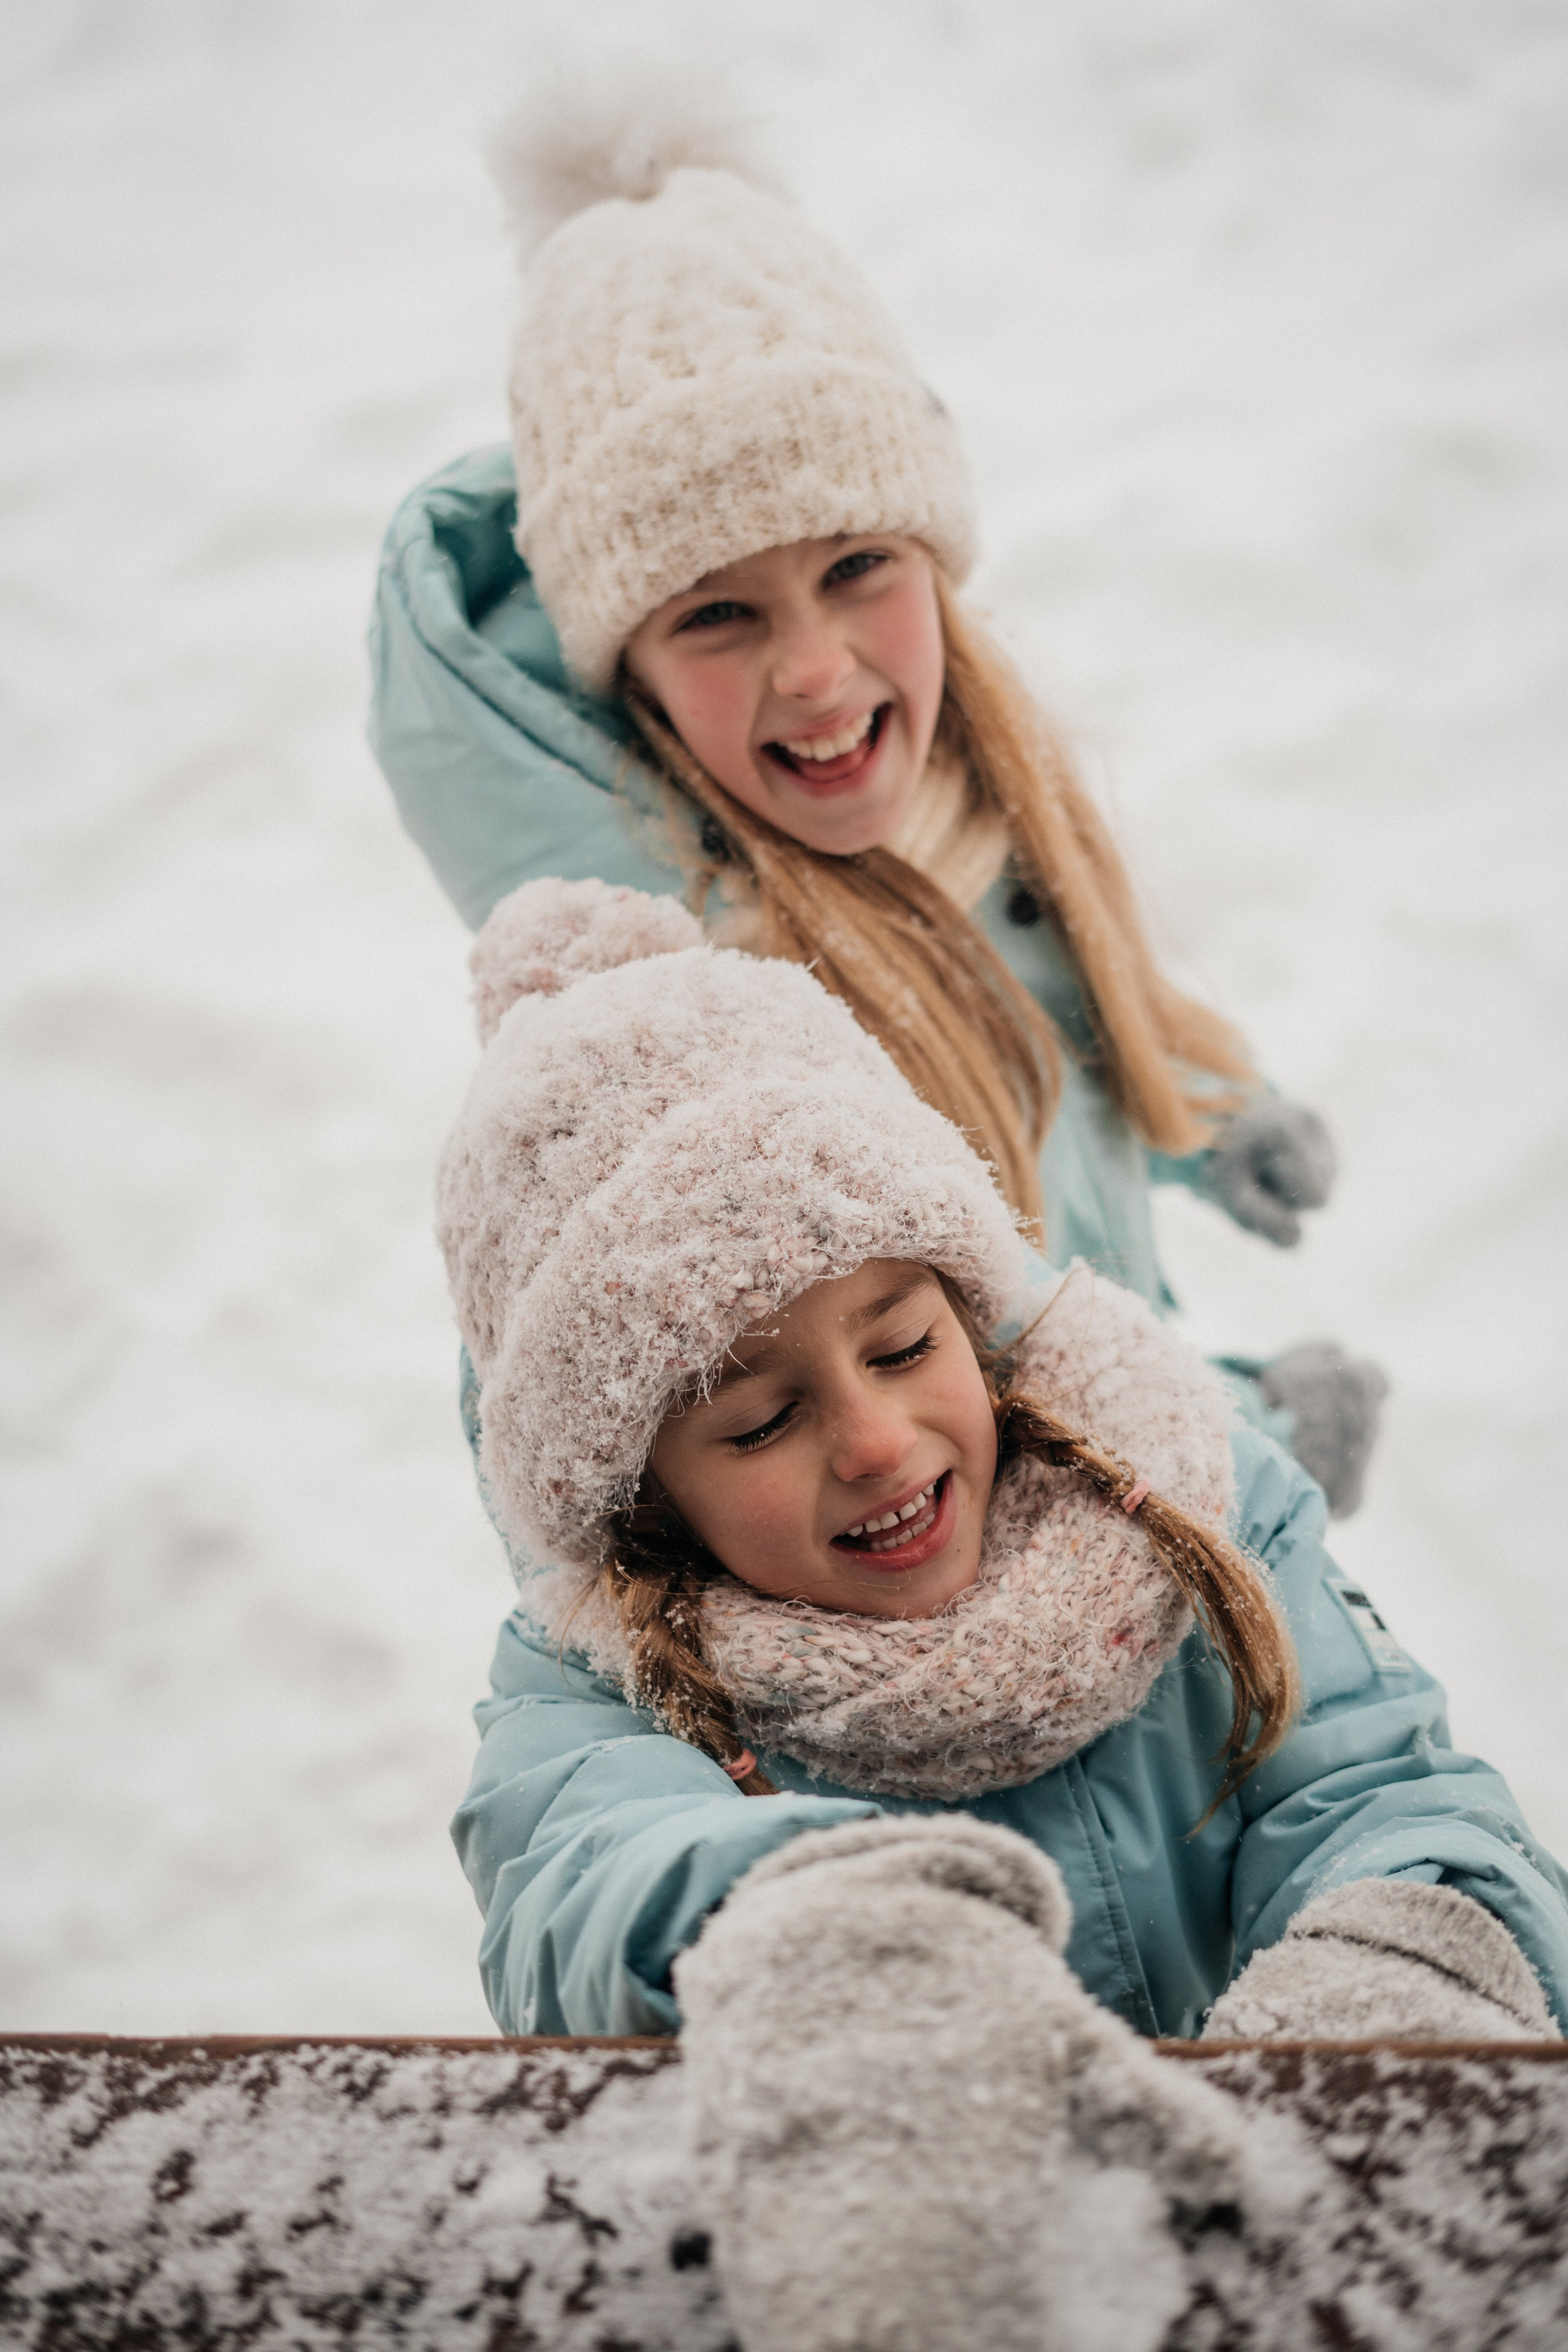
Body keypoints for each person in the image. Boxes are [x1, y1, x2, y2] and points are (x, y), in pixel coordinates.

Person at [371, 89, 1386, 1515]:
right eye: (717, 614)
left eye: (857, 567)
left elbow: (1032, 986)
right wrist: (1246, 1433)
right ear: (632, 678)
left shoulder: (948, 791)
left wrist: (1210, 1112)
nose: (813, 671)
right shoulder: (706, 1033)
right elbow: (970, 1371)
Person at [443, 873, 1568, 2062]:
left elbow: (1380, 1789)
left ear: (972, 1318)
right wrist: (812, 1946)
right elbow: (578, 1888)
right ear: (645, 1497)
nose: (876, 1441)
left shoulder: (1190, 1504)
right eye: (762, 1421)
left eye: (902, 1346)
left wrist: (1400, 1961)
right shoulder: (599, 1683)